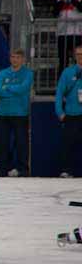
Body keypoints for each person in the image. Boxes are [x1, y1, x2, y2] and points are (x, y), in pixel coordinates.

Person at [0, 49, 34, 177]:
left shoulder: (28, 73)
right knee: (2, 142)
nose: (14, 59)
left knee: (21, 142)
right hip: (3, 113)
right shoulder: (2, 73)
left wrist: (7, 87)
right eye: (12, 57)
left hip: (20, 113)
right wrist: (14, 91)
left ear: (22, 59)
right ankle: (2, 168)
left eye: (17, 57)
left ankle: (23, 169)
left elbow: (24, 88)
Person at [55, 44, 82, 178]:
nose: (80, 57)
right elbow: (59, 93)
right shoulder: (68, 72)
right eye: (78, 54)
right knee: (68, 144)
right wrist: (60, 112)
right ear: (74, 56)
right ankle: (66, 170)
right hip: (71, 113)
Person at [55, 0, 82, 77]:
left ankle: (78, 81)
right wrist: (62, 0)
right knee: (63, 60)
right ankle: (63, 82)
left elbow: (81, 8)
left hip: (78, 33)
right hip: (63, 33)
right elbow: (55, 12)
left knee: (78, 60)